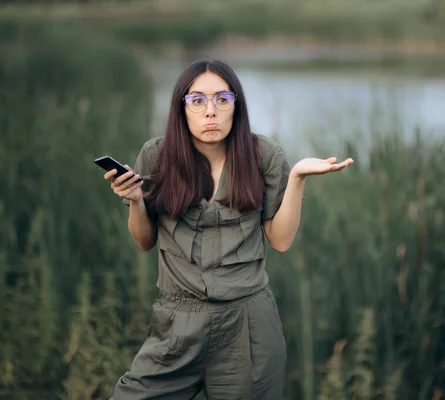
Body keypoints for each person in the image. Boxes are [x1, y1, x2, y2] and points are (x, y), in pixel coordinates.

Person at [104, 59, 353, 400]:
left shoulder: (264, 155)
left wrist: (296, 178)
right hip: (177, 322)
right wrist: (134, 199)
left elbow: (280, 241)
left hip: (247, 325)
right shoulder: (157, 156)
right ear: (182, 108)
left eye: (222, 99)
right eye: (198, 101)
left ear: (236, 105)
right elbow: (145, 241)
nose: (211, 111)